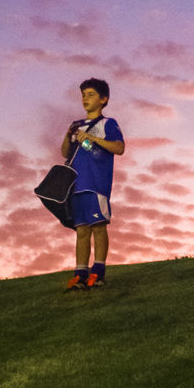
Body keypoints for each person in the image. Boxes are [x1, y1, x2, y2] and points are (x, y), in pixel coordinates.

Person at [61, 77, 125, 290]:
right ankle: (80, 273)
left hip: (97, 184)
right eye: (83, 95)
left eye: (90, 95)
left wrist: (92, 138)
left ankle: (98, 272)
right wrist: (68, 135)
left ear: (103, 99)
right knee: (81, 230)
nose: (85, 99)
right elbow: (65, 153)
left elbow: (119, 148)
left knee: (98, 227)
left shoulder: (108, 123)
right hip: (77, 185)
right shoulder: (77, 125)